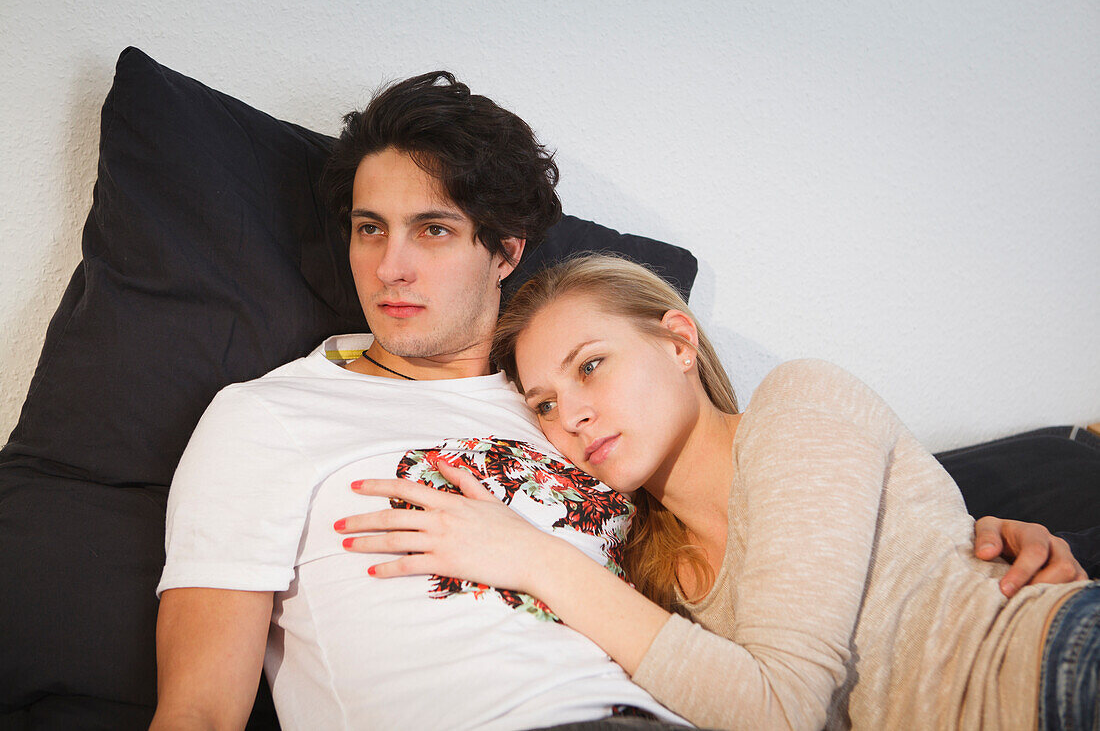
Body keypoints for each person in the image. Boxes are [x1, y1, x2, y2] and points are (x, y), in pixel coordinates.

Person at [153, 69, 1080, 730]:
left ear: (506, 251)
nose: (390, 267)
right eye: (369, 228)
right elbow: (197, 708)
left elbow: (791, 545)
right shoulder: (268, 418)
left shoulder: (587, 424)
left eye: (433, 229)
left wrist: (967, 525)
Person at [339, 254, 1096, 730]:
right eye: (541, 403)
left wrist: (533, 558)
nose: (569, 414)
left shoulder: (797, 404)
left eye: (591, 365)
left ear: (678, 341)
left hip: (1051, 670)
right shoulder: (647, 576)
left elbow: (783, 708)